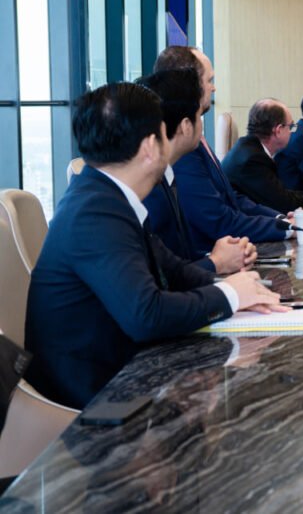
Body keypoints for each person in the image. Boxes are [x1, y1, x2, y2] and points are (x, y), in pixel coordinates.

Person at [24, 82, 285, 409]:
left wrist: (244, 288)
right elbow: (145, 315)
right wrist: (230, 296)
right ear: (150, 146)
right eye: (164, 133)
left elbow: (174, 271)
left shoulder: (108, 196)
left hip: (121, 374)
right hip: (94, 404)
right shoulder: (95, 212)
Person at [152, 46, 290, 252]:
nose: (214, 88)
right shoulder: (182, 148)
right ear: (188, 83)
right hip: (208, 255)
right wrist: (286, 229)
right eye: (209, 80)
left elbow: (231, 198)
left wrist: (281, 220)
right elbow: (215, 219)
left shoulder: (196, 138)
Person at [137, 69, 256, 273]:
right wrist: (216, 262)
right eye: (199, 116)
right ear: (186, 125)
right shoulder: (149, 189)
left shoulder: (165, 178)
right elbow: (161, 278)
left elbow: (177, 261)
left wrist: (224, 256)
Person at [222, 99, 303, 215]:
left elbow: (284, 193)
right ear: (278, 130)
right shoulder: (252, 160)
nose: (292, 131)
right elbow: (283, 203)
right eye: (291, 126)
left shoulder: (250, 149)